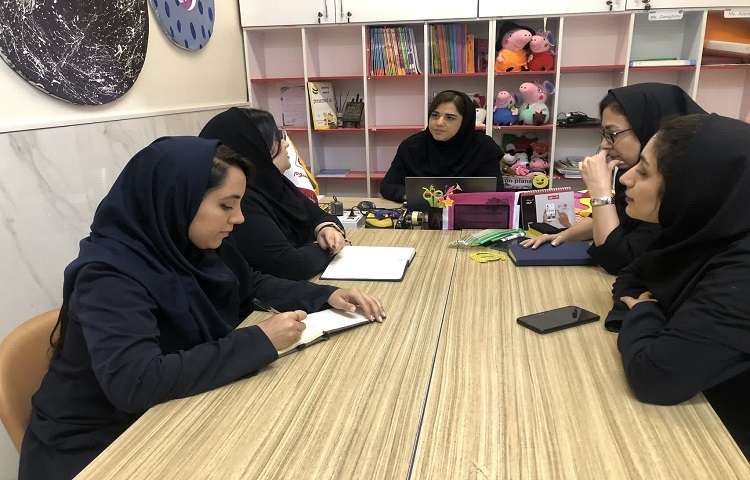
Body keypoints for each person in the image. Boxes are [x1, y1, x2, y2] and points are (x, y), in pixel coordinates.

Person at [19, 137, 385, 479]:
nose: (239, 218)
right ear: (176, 199)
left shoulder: (190, 243)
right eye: (226, 205)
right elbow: (135, 382)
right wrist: (260, 340)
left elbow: (250, 283)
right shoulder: (109, 275)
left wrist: (325, 296)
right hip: (100, 448)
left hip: (168, 415)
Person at [607, 114, 750, 457]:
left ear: (696, 185)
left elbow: (656, 377)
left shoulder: (743, 268)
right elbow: (629, 277)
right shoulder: (700, 229)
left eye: (644, 172)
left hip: (724, 442)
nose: (625, 178)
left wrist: (644, 311)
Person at [521, 83, 705, 274]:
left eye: (612, 134)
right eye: (604, 134)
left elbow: (617, 259)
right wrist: (562, 236)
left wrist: (600, 192)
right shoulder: (629, 170)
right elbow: (615, 217)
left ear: (649, 126)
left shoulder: (678, 189)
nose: (604, 145)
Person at [199, 108, 347, 281]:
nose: (285, 144)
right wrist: (328, 247)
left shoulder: (276, 184)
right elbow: (290, 265)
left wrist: (325, 228)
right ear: (258, 150)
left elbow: (319, 215)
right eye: (277, 139)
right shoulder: (242, 200)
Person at [379, 90, 502, 202]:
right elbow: (388, 186)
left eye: (450, 118)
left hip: (468, 215)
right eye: (435, 115)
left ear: (465, 122)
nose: (439, 123)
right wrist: (416, 197)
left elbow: (496, 192)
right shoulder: (411, 146)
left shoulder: (484, 147)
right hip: (420, 215)